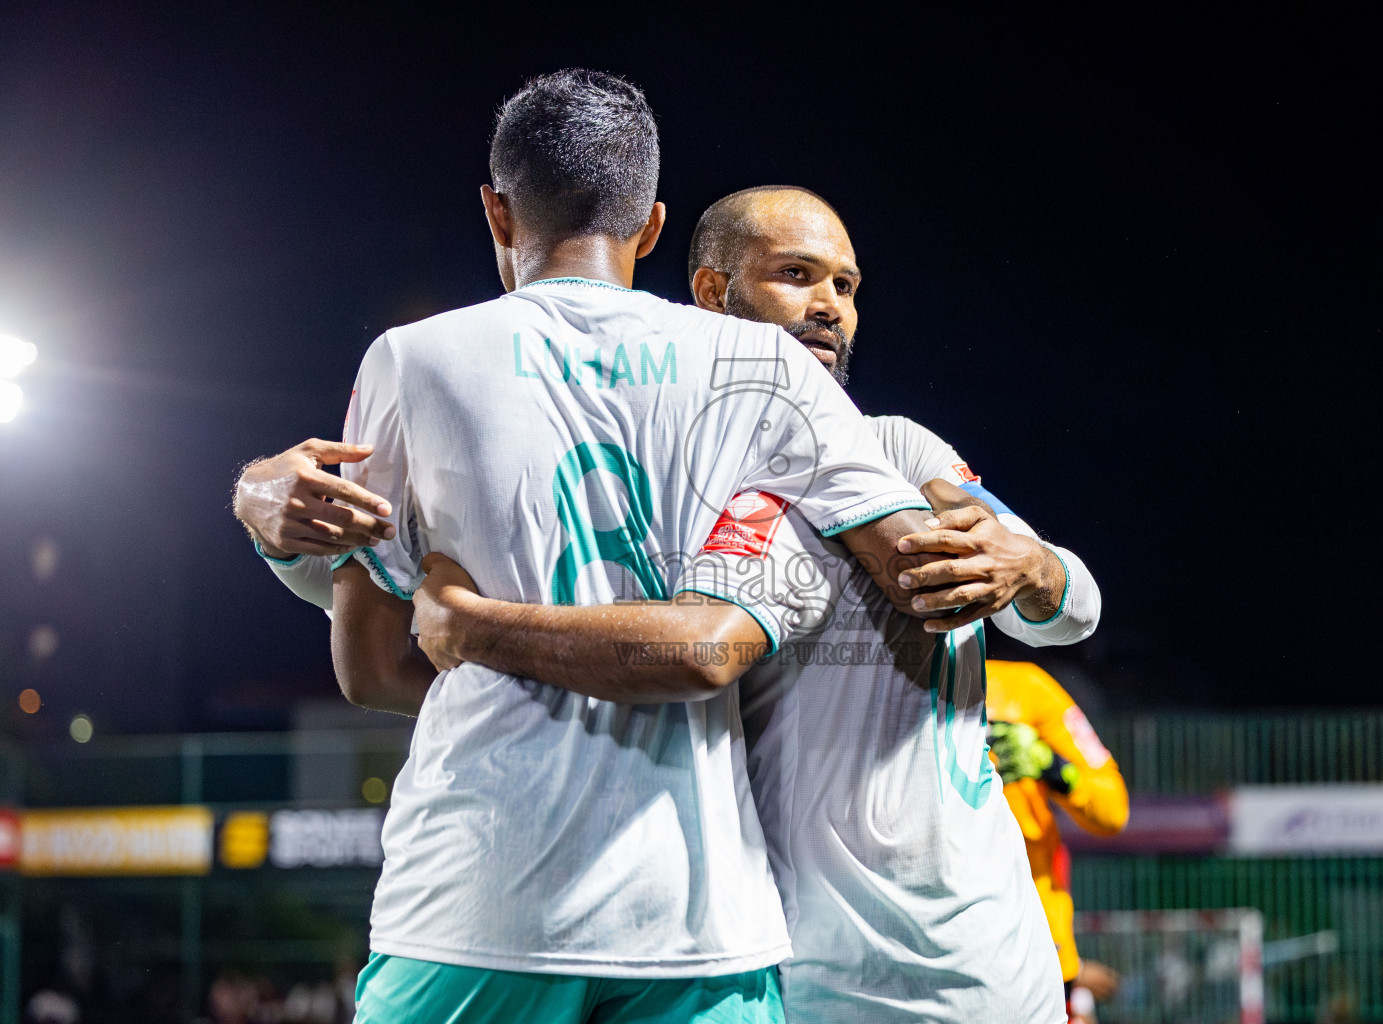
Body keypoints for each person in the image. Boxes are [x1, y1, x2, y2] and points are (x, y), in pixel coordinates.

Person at [258, 70, 946, 1024]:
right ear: (654, 226)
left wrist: (497, 666)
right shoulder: (764, 363)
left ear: (498, 212)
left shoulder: (414, 358)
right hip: (699, 919)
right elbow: (921, 560)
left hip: (471, 904)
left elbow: (369, 665)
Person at [393, 187, 1101, 1022]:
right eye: (797, 275)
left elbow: (1070, 609)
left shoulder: (902, 451)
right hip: (792, 973)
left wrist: (1037, 567)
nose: (830, 306)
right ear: (710, 293)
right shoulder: (679, 490)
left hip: (988, 964)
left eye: (847, 286)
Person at [985, 660, 1129, 1002]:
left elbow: (1113, 809)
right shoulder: (867, 689)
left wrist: (1051, 765)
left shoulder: (1024, 687)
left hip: (1034, 945)